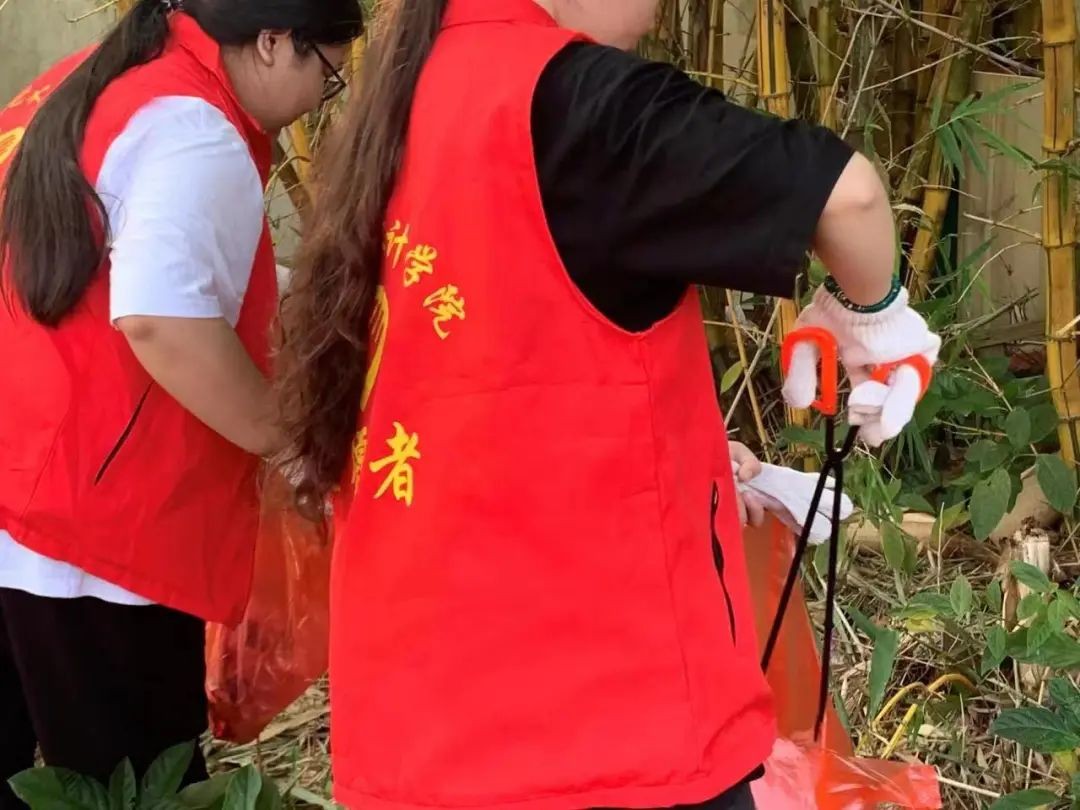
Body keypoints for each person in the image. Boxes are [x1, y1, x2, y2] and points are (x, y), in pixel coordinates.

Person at [275, 0, 940, 808]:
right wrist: (875, 313)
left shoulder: (413, 81)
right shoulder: (580, 102)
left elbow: (488, 377)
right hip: (601, 731)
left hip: (421, 724)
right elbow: (849, 197)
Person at [0, 0, 362, 802]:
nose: (320, 99)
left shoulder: (95, 80)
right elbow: (162, 319)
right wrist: (285, 437)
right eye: (329, 74)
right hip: (91, 534)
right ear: (273, 42)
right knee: (134, 782)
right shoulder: (194, 128)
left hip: (23, 484)